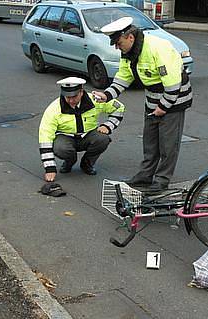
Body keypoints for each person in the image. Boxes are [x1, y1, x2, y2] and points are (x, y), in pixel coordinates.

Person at [93, 17, 192, 191]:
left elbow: (172, 83)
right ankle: (145, 176)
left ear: (130, 37)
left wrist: (163, 107)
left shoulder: (157, 48)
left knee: (168, 144)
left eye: (118, 42)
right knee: (150, 141)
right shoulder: (129, 53)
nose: (117, 47)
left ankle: (161, 180)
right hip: (153, 99)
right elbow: (124, 77)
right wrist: (106, 95)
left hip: (174, 99)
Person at [39, 77, 125, 182]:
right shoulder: (54, 108)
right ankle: (69, 161)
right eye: (67, 97)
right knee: (60, 148)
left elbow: (119, 107)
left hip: (87, 135)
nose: (70, 101)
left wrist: (108, 125)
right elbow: (45, 137)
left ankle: (87, 164)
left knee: (103, 139)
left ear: (81, 92)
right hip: (66, 137)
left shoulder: (95, 100)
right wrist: (50, 168)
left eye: (74, 96)